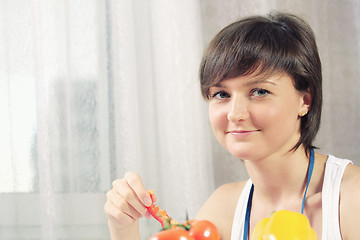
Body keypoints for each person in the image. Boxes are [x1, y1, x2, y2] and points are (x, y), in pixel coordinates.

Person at [104, 11, 360, 240]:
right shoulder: (224, 208)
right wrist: (123, 225)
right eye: (221, 94)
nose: (235, 114)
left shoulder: (351, 198)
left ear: (304, 101)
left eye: (259, 91)